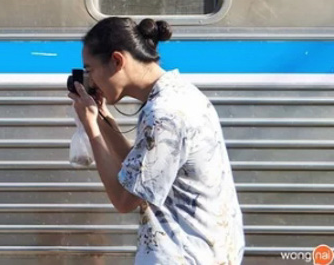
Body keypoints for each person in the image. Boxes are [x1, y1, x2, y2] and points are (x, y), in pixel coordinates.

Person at [68, 17, 244, 264]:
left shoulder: (164, 114)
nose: (90, 81)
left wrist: (91, 128)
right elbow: (141, 169)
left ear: (117, 61)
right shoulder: (180, 94)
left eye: (90, 70)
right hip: (206, 250)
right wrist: (101, 118)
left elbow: (124, 199)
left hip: (184, 255)